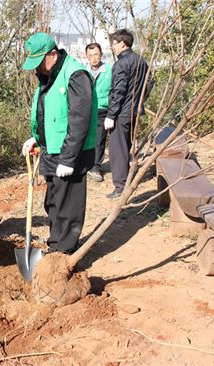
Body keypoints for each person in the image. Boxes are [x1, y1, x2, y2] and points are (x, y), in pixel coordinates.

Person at [21, 32, 98, 254]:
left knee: (67, 208)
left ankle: (64, 253)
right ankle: (56, 244)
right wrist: (36, 138)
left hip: (70, 153)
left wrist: (68, 159)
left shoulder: (75, 75)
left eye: (39, 62)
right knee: (53, 203)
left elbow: (79, 120)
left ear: (53, 54)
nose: (36, 69)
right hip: (52, 150)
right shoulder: (50, 75)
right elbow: (51, 112)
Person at [104, 29, 153, 199]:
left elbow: (118, 91)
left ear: (122, 43)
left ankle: (120, 186)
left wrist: (111, 115)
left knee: (118, 150)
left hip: (121, 114)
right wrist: (140, 100)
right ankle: (126, 180)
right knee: (126, 146)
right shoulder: (141, 60)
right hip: (135, 112)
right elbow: (149, 83)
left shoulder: (121, 64)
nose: (113, 47)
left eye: (114, 43)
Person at [85, 42, 113, 183]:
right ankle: (84, 165)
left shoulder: (109, 70)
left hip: (102, 109)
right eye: (90, 55)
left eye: (96, 54)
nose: (94, 58)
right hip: (86, 110)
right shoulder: (82, 71)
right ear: (86, 56)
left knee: (99, 139)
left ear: (101, 54)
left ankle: (95, 167)